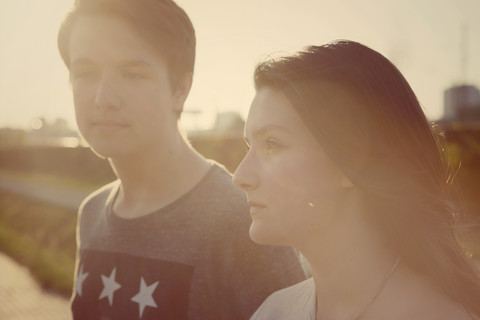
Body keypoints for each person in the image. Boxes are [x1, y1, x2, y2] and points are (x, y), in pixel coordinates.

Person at [57, 0, 306, 319]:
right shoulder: (92, 213)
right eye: (86, 73)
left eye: (132, 74)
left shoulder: (243, 223)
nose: (103, 98)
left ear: (181, 89)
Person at [233, 40, 480, 320]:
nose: (240, 176)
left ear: (353, 162)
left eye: (273, 143)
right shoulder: (273, 312)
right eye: (248, 145)